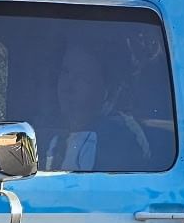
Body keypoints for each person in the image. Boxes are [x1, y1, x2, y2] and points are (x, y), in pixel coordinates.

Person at [48, 44, 150, 172]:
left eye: (82, 77)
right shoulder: (57, 139)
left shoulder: (118, 141)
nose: (67, 86)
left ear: (106, 91)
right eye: (65, 72)